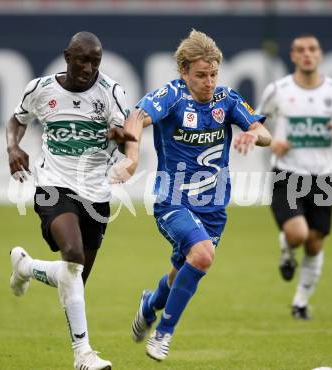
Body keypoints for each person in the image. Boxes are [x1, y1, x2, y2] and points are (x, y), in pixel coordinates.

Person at [120, 29, 272, 361]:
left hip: (214, 207)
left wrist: (252, 135)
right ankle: (163, 334)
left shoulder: (227, 99)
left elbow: (265, 133)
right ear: (184, 72)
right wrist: (131, 158)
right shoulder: (171, 96)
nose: (209, 82)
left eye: (214, 74)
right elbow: (136, 117)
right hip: (171, 200)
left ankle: (150, 304)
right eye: (201, 75)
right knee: (202, 256)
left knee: (182, 270)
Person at [6, 31, 136, 370]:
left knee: (73, 276)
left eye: (95, 61)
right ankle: (83, 355)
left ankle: (26, 267)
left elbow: (127, 139)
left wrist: (123, 139)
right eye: (83, 59)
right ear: (67, 55)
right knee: (74, 256)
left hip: (96, 194)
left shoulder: (111, 93)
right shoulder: (40, 89)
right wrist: (13, 146)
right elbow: (16, 121)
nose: (89, 68)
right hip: (53, 186)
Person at [256, 34, 332, 320]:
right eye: (301, 50)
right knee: (298, 234)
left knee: (315, 242)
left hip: (323, 177)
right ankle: (287, 248)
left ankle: (300, 302)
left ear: (320, 54)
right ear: (292, 56)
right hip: (287, 174)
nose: (307, 54)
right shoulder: (277, 90)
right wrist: (270, 141)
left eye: (312, 49)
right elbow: (255, 123)